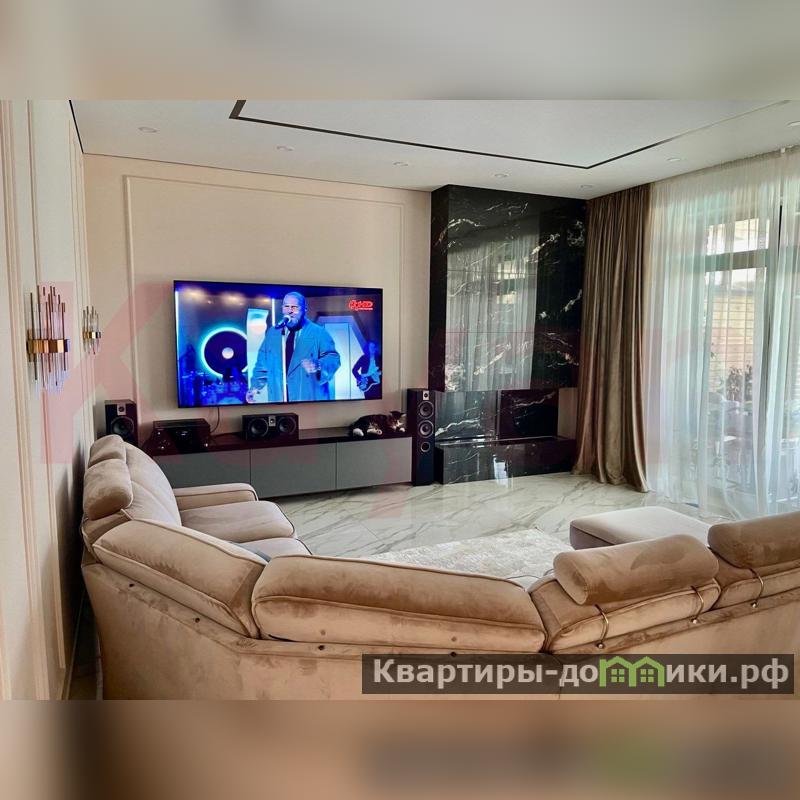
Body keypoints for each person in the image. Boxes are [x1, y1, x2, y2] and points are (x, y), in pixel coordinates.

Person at [246, 291, 341, 402]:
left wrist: (318, 365)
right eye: (286, 306)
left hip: (307, 399)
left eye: (295, 307)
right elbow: (262, 363)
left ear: (305, 309)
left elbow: (333, 358)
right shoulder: (273, 333)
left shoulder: (318, 333)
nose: (290, 311)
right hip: (279, 397)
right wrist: (254, 387)